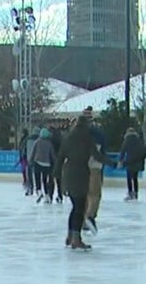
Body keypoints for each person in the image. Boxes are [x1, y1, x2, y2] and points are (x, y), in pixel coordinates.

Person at [54, 115, 116, 250]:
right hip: (81, 174)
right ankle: (76, 239)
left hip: (68, 173)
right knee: (80, 208)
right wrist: (112, 163)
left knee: (75, 206)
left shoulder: (68, 138)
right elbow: (97, 155)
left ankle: (70, 236)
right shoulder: (86, 138)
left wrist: (57, 175)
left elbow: (60, 158)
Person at [81, 107, 107, 233]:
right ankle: (90, 216)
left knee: (85, 194)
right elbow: (101, 151)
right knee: (95, 194)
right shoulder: (97, 133)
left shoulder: (76, 133)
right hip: (95, 166)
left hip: (81, 167)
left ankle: (84, 218)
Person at [30, 128, 56, 204]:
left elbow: (33, 152)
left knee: (37, 178)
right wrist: (55, 162)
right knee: (45, 180)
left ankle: (39, 191)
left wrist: (31, 160)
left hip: (37, 162)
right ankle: (47, 195)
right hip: (47, 164)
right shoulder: (49, 143)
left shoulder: (37, 142)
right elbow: (52, 154)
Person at [119, 127, 145, 202]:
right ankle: (136, 193)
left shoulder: (127, 140)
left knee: (129, 178)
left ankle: (130, 193)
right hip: (137, 161)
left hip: (129, 162)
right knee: (135, 178)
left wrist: (120, 160)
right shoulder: (138, 140)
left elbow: (123, 150)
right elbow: (142, 151)